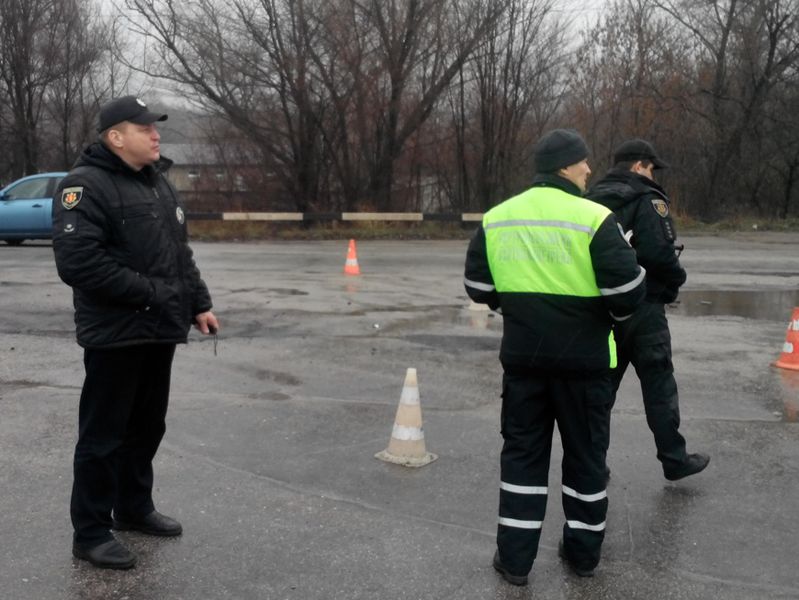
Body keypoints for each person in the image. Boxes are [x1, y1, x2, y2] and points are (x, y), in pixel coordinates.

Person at [464, 129, 646, 586]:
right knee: (585, 460)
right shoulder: (595, 218)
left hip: (524, 364)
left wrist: (521, 306)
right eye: (583, 162)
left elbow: (479, 288)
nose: (589, 169)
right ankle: (582, 557)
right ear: (566, 166)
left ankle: (515, 561)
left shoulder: (499, 217)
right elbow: (627, 293)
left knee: (522, 460)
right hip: (585, 367)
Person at [52, 96, 219, 570]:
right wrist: (150, 293)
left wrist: (198, 302)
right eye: (144, 127)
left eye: (155, 127)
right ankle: (90, 531)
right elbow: (79, 262)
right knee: (103, 435)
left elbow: (178, 255)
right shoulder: (84, 187)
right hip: (116, 333)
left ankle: (132, 507)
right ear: (115, 136)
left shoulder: (157, 185)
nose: (155, 134)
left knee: (147, 426)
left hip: (157, 329)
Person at [586, 139, 709, 481]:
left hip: (602, 311)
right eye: (651, 167)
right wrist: (675, 281)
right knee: (658, 385)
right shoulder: (647, 199)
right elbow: (658, 253)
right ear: (639, 166)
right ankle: (674, 458)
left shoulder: (589, 199)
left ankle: (593, 465)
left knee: (600, 391)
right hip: (644, 309)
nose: (653, 174)